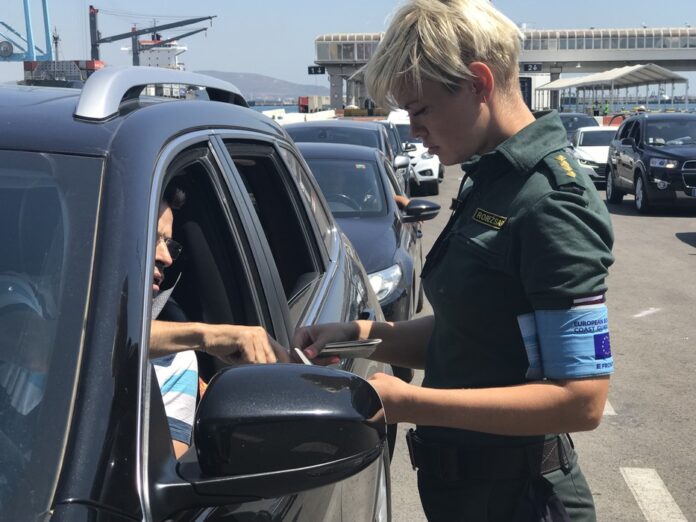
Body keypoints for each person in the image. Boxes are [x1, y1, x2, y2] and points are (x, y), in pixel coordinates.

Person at [293, 1, 614, 520]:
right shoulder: (492, 179)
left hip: (521, 502)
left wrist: (407, 402)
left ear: (478, 83)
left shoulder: (551, 201)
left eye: (421, 110)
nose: (413, 130)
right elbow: (471, 331)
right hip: (471, 497)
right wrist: (361, 336)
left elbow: (581, 400)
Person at [151, 183, 288, 458]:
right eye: (151, 239)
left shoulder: (176, 361)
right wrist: (206, 336)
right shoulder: (54, 325)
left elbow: (163, 469)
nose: (166, 258)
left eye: (169, 244)